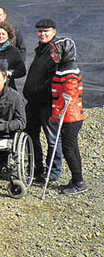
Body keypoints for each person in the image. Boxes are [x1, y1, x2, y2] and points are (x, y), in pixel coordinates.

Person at [23, 19, 62, 181]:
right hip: (33, 104)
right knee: (31, 135)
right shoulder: (41, 49)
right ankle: (36, 167)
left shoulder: (54, 52)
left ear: (54, 32)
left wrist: (39, 93)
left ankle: (52, 173)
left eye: (46, 31)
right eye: (40, 31)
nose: (42, 34)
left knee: (52, 138)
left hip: (47, 104)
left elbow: (54, 79)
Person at [50, 38, 87, 194]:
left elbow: (68, 96)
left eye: (56, 52)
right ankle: (77, 179)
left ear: (65, 52)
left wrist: (57, 115)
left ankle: (79, 183)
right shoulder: (65, 66)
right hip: (72, 116)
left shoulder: (69, 71)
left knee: (68, 149)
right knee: (73, 149)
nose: (53, 55)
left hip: (70, 117)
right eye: (52, 51)